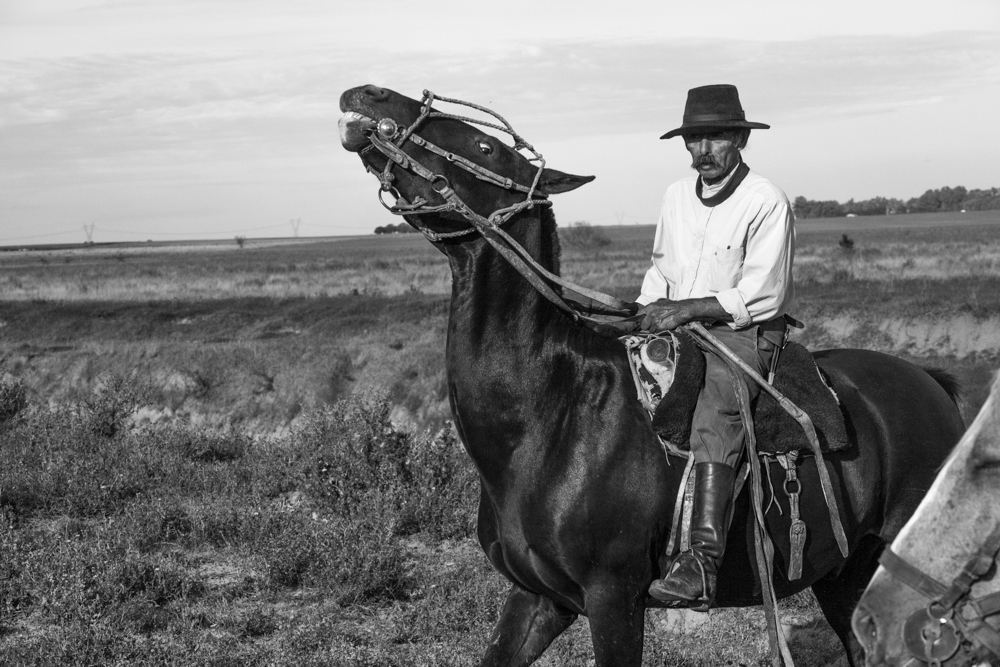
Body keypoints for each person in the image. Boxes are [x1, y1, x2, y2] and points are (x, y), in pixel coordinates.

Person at [638, 84, 795, 610]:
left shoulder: (765, 200)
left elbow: (763, 292)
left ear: (740, 141)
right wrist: (644, 314)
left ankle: (702, 561)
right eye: (693, 139)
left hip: (744, 329)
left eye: (715, 138)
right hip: (679, 323)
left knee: (718, 402)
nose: (702, 150)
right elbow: (661, 268)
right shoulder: (675, 197)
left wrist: (688, 309)